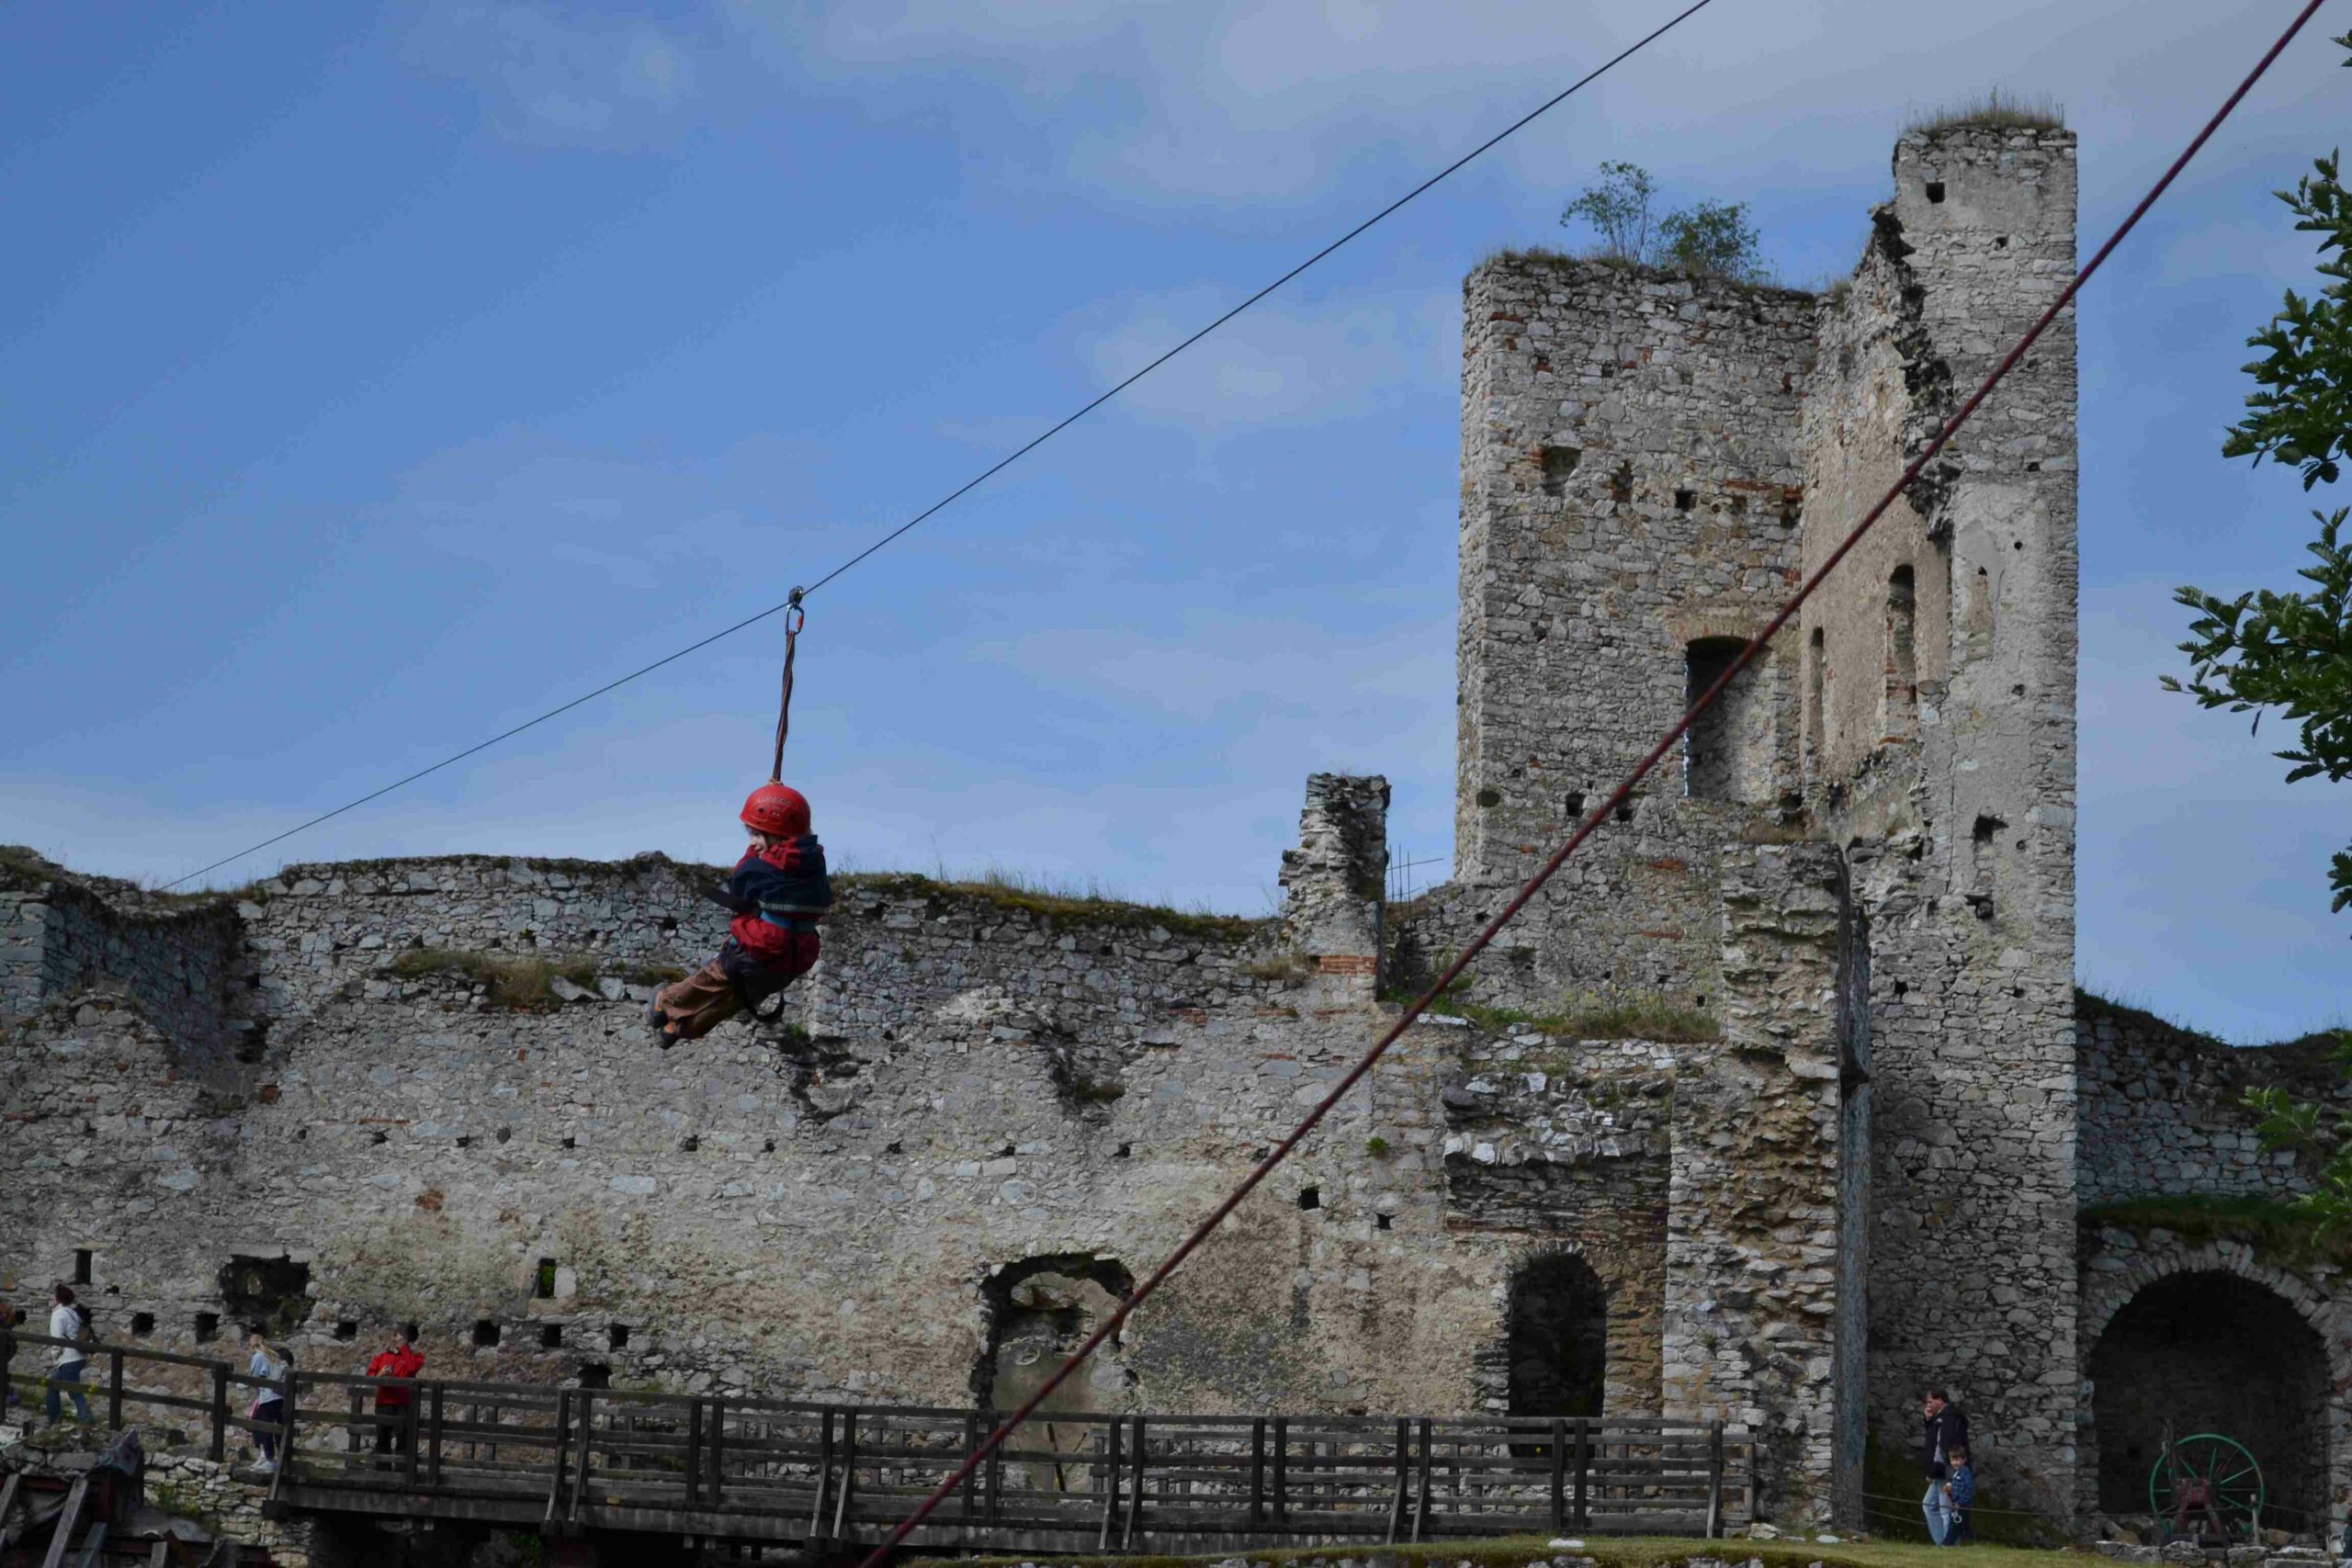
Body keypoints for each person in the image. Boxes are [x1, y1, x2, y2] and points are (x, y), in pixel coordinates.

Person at [646, 784, 832, 1047]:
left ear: (777, 834)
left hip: (760, 946)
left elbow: (739, 884)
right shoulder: (814, 863)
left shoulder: (765, 867)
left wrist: (751, 854)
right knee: (736, 998)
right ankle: (675, 1028)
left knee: (711, 980)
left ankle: (663, 1004)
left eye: (757, 835)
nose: (753, 842)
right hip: (796, 956)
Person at [365, 1325, 424, 1457]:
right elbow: (369, 1377)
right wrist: (380, 1375)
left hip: (404, 1404)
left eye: (401, 1336)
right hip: (384, 1403)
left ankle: (402, 1470)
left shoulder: (416, 1356)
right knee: (382, 1440)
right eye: (396, 1335)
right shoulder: (382, 1355)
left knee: (403, 1440)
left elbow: (412, 1369)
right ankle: (382, 1469)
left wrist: (404, 1348)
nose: (396, 1338)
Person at [1920, 1387, 1970, 1544]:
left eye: (1930, 1402)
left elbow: (1943, 1447)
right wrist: (1929, 1420)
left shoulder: (1949, 1418)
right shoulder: (1942, 1418)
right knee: (1929, 1505)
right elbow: (1934, 1440)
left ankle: (1949, 1547)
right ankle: (1942, 1544)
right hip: (1942, 1471)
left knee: (1946, 1511)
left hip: (1946, 1472)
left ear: (1940, 1400)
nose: (1928, 1405)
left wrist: (1934, 1472)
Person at [44, 1283, 93, 1426]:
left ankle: (88, 1422)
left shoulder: (58, 1314)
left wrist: (55, 1357)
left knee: (75, 1392)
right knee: (52, 1386)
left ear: (57, 1299)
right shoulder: (74, 1313)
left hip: (68, 1359)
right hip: (78, 1356)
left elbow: (57, 1339)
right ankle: (54, 1420)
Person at [246, 1327, 290, 1472]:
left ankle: (269, 1459)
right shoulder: (272, 1355)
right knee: (274, 1427)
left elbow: (253, 1377)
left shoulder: (258, 1357)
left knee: (263, 1426)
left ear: (252, 1345)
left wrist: (240, 1384)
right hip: (278, 1397)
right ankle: (277, 1459)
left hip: (268, 1397)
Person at [1940, 1443, 1977, 1546]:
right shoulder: (1956, 1473)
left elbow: (1969, 1490)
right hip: (1956, 1505)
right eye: (1952, 1460)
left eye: (1957, 1460)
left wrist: (1960, 1503)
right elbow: (1956, 1490)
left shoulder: (1966, 1474)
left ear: (1964, 1459)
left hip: (1962, 1506)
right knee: (1963, 1527)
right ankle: (1970, 1543)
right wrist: (1949, 1491)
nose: (1954, 1463)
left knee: (1954, 1527)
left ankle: (1946, 1545)